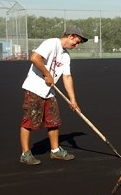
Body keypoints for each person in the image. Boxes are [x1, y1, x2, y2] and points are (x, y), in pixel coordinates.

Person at [19, 26, 88, 165]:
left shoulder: (66, 56)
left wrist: (72, 100)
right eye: (77, 41)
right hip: (34, 88)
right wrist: (47, 74)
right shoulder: (52, 43)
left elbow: (67, 77)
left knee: (54, 122)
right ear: (70, 36)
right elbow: (34, 57)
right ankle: (25, 154)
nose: (77, 44)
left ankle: (55, 151)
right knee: (30, 121)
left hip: (49, 92)